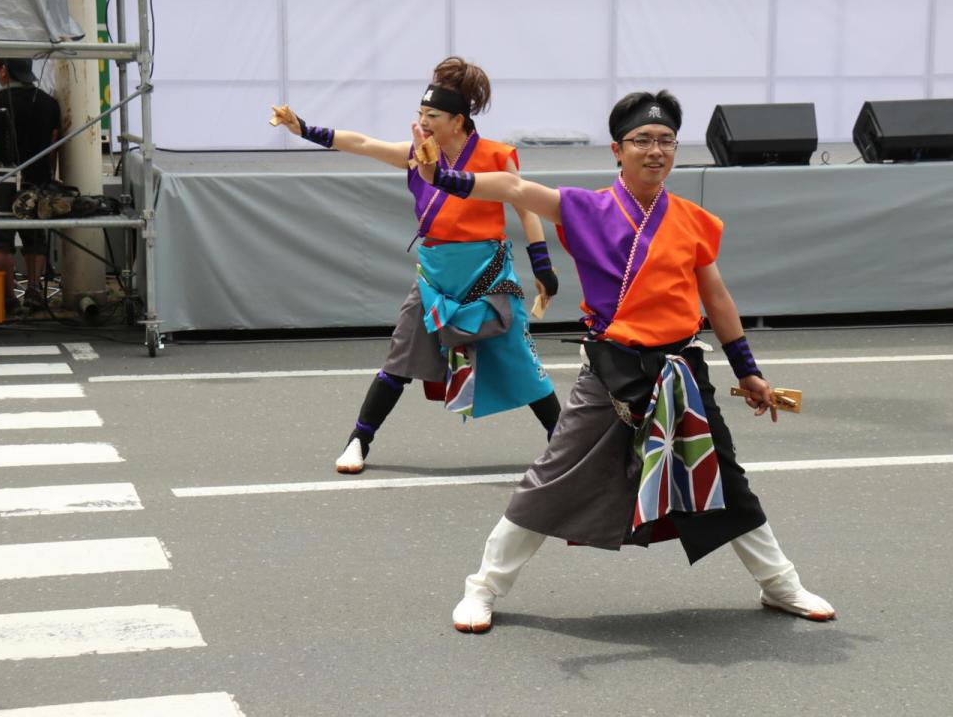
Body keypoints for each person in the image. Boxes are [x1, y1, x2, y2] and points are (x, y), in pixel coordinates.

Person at [413, 90, 835, 633]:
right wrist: (449, 180)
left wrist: (747, 368)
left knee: (724, 479)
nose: (655, 151)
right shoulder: (584, 209)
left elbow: (718, 299)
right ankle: (483, 589)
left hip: (680, 372)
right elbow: (516, 187)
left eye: (665, 141)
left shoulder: (694, 221)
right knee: (551, 479)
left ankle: (781, 586)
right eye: (642, 141)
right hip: (611, 373)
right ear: (617, 149)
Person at [272, 57, 563, 474]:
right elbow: (362, 144)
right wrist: (305, 129)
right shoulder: (416, 156)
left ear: (458, 121)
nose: (423, 122)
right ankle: (359, 440)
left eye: (432, 115)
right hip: (436, 277)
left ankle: (566, 445)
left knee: (523, 362)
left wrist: (542, 264)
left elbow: (527, 208)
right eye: (421, 114)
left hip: (488, 274)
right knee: (399, 362)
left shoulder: (497, 156)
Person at [0, 58, 61, 313]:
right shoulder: (49, 103)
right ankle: (34, 290)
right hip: (38, 180)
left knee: (1, 240)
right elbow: (54, 144)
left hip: (1, 181)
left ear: (3, 71)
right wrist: (47, 176)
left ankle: (8, 298)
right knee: (35, 237)